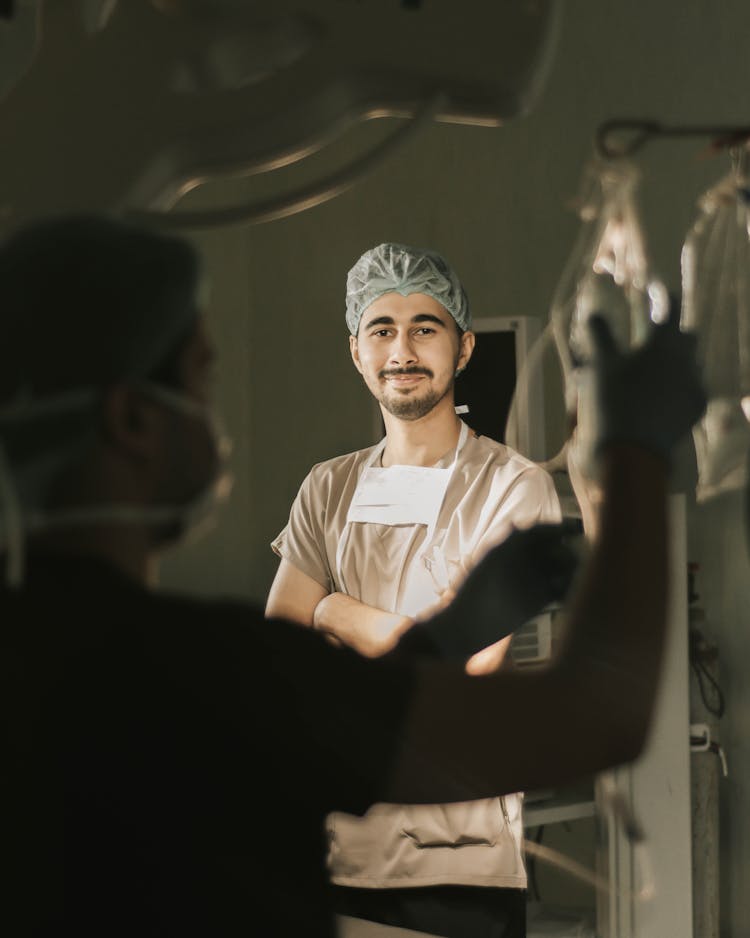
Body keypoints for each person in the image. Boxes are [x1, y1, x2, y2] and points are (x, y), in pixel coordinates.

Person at [0, 215, 705, 938]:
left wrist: (423, 632)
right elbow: (593, 717)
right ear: (134, 420)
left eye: (424, 328)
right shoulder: (202, 670)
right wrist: (633, 455)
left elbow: (336, 700)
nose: (219, 418)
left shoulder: (45, 658)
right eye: (202, 377)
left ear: (461, 346)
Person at [266, 243, 561, 937]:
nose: (402, 349)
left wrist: (331, 608)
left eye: (424, 328)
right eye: (382, 329)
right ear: (356, 351)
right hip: (337, 847)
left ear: (462, 349)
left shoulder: (513, 488)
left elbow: (465, 660)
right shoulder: (327, 486)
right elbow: (281, 641)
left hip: (459, 862)